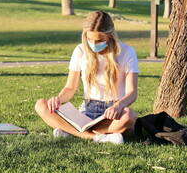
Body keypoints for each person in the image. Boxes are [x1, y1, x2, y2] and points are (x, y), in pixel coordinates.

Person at [35, 11, 139, 144]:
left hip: (112, 113)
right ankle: (96, 137)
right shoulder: (80, 50)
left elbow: (132, 92)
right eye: (90, 40)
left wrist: (118, 106)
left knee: (129, 116)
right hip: (87, 110)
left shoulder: (127, 52)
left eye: (100, 40)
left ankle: (71, 131)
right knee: (41, 105)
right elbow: (70, 88)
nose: (94, 44)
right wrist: (59, 99)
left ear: (110, 36)